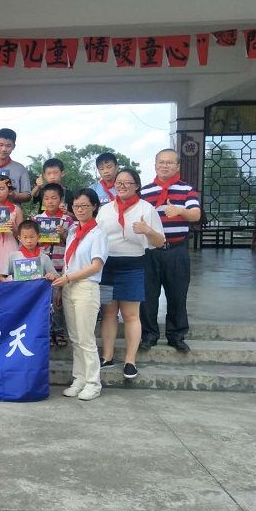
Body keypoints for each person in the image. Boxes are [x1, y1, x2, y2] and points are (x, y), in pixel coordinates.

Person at [96, 167, 166, 379]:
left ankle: (130, 361)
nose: (122, 186)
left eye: (128, 183)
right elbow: (95, 236)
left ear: (137, 186)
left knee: (130, 315)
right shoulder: (105, 209)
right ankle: (107, 356)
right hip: (107, 267)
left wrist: (148, 230)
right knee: (108, 313)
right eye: (119, 183)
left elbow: (159, 242)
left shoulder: (146, 209)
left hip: (133, 266)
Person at [139, 148, 202, 353]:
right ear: (155, 165)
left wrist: (180, 210)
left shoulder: (187, 190)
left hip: (176, 250)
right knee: (147, 294)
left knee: (177, 294)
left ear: (177, 166)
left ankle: (176, 335)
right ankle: (149, 335)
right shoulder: (145, 192)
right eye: (161, 162)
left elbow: (196, 215)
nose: (165, 166)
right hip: (150, 251)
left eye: (169, 162)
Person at [52, 188, 108, 401]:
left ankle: (93, 383)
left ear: (94, 206)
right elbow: (69, 261)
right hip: (69, 286)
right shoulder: (73, 230)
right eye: (76, 206)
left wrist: (68, 278)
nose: (80, 210)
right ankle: (79, 380)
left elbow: (95, 266)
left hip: (86, 286)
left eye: (84, 205)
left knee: (86, 338)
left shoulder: (98, 234)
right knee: (75, 339)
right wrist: (62, 285)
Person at [35, 183, 75, 347]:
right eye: (46, 198)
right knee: (43, 300)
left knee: (58, 300)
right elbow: (31, 243)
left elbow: (72, 243)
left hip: (60, 264)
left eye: (54, 198)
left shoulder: (67, 220)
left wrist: (64, 234)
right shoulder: (37, 219)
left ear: (61, 200)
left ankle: (58, 330)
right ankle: (45, 331)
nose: (50, 201)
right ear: (43, 200)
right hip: (42, 265)